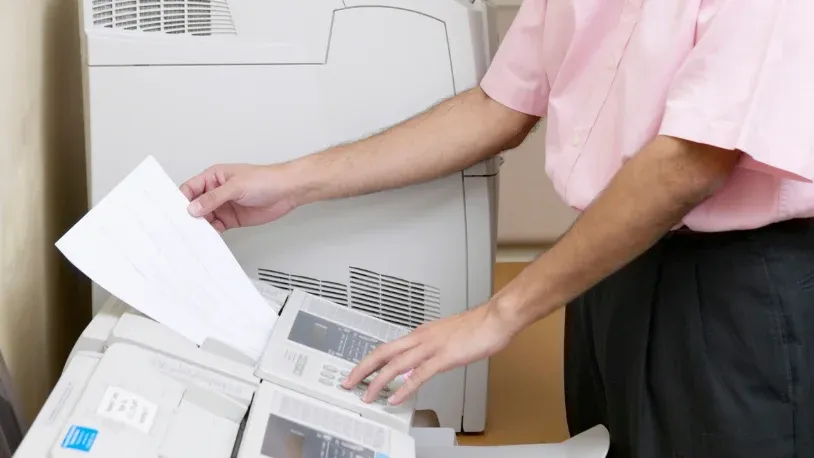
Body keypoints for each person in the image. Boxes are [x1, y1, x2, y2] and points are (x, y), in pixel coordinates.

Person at [180, 1, 814, 456]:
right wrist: (291, 182)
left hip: (734, 289)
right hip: (606, 267)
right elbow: (499, 105)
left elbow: (690, 161)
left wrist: (496, 317)